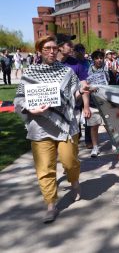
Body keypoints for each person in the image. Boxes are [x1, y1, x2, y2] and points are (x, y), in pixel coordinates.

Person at [13, 35, 90, 223]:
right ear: (39, 50)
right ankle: (51, 204)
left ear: (59, 50)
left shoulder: (67, 72)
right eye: (47, 48)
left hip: (66, 126)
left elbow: (74, 95)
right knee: (44, 168)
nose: (51, 51)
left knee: (69, 161)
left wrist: (83, 90)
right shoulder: (30, 73)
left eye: (54, 48)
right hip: (39, 127)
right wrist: (29, 108)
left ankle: (74, 181)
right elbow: (18, 99)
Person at [86, 50, 115, 157]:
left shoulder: (108, 71)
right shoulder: (88, 72)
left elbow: (113, 85)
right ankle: (95, 147)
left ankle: (115, 143)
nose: (99, 60)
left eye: (101, 58)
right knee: (94, 126)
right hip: (93, 103)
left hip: (105, 102)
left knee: (109, 125)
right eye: (96, 58)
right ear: (93, 60)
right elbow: (85, 87)